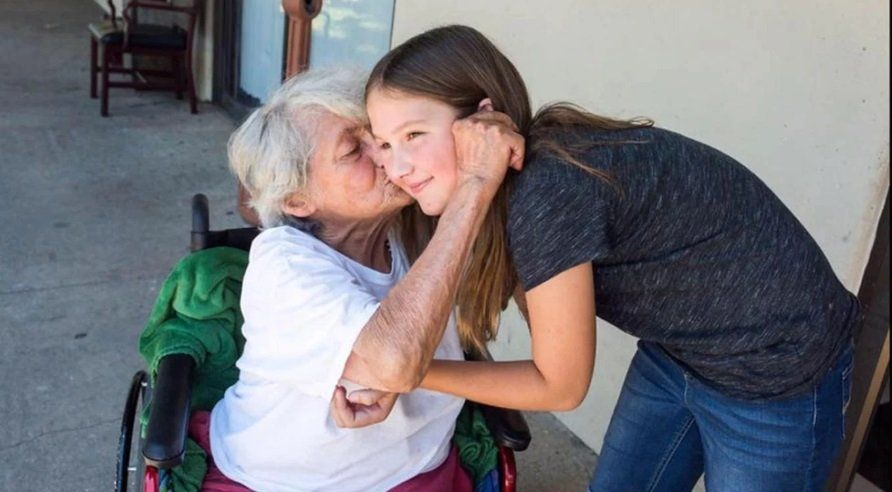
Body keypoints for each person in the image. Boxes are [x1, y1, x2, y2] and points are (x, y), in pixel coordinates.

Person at [353, 25, 860, 492]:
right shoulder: (506, 193)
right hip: (679, 351)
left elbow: (560, 384)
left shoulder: (546, 193)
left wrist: (407, 372)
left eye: (415, 135)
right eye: (383, 144)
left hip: (775, 368)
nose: (398, 167)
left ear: (483, 122)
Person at [206, 68, 523, 491]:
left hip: (417, 471)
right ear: (299, 200)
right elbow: (393, 361)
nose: (385, 153)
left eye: (379, 135)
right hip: (282, 482)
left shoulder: (413, 224)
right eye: (355, 149)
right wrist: (475, 185)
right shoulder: (282, 263)